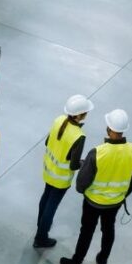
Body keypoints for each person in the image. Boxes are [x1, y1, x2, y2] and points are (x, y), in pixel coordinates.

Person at [60, 109, 132, 264]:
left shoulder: (98, 152)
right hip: (115, 202)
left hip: (93, 202)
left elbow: (83, 180)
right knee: (108, 229)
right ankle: (102, 260)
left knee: (87, 231)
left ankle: (76, 263)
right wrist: (122, 196)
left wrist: (81, 190)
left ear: (108, 129)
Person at [35, 95, 93, 249]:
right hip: (61, 179)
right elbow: (74, 165)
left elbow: (48, 142)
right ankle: (41, 237)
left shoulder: (59, 120)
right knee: (51, 206)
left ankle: (40, 226)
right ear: (80, 115)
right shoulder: (79, 136)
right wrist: (84, 162)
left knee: (46, 197)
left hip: (48, 170)